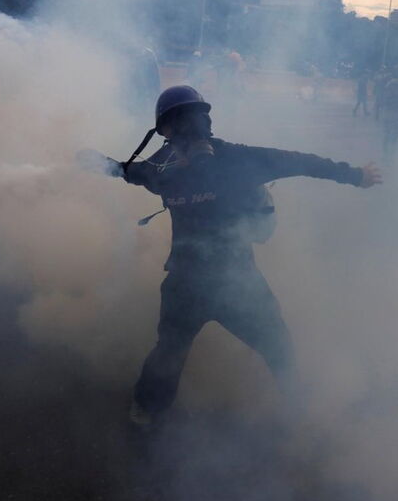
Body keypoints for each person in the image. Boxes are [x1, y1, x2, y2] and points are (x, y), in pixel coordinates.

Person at [79, 86, 382, 427]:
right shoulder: (164, 168)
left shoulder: (209, 162)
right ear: (168, 131)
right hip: (211, 283)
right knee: (180, 351)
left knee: (268, 344)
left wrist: (354, 175)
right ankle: (149, 411)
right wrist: (102, 164)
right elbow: (126, 172)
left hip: (223, 283)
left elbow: (301, 162)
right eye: (186, 123)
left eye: (193, 122)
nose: (191, 130)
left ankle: (296, 409)